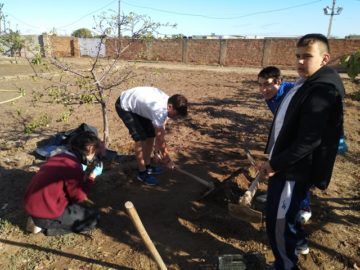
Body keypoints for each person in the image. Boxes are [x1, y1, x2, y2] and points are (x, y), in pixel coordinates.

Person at [259, 34, 344, 270]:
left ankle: (285, 265)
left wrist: (275, 164)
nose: (300, 62)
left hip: (293, 171)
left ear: (324, 58)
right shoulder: (307, 82)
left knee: (279, 222)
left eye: (307, 56)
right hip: (286, 164)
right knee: (287, 216)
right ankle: (296, 248)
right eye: (297, 56)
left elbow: (308, 141)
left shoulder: (322, 91)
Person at [257, 66, 312, 225]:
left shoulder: (294, 93)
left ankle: (305, 208)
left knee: (297, 173)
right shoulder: (269, 96)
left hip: (298, 139)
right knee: (274, 164)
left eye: (267, 84)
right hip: (282, 134)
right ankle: (274, 193)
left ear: (279, 81)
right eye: (260, 85)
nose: (263, 89)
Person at [24, 131, 103, 236]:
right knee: (93, 219)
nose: (93, 157)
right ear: (88, 151)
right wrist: (92, 176)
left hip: (32, 204)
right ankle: (44, 228)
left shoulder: (59, 156)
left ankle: (38, 220)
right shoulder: (73, 167)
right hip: (45, 212)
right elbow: (79, 197)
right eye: (93, 153)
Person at [115, 86, 188, 186]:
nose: (176, 118)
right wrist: (167, 160)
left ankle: (148, 166)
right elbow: (161, 138)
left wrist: (157, 152)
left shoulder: (168, 103)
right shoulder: (158, 110)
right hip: (125, 105)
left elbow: (160, 131)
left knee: (150, 134)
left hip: (138, 106)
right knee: (140, 139)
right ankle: (142, 173)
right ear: (170, 107)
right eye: (176, 115)